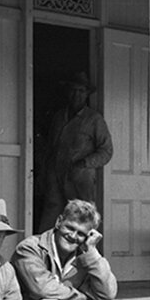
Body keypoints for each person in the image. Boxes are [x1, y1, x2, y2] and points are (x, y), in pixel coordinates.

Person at [37, 72, 113, 232]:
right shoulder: (59, 117)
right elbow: (50, 148)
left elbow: (106, 151)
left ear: (86, 94)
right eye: (73, 90)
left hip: (80, 178)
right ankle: (43, 253)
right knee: (51, 215)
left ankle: (86, 254)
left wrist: (85, 163)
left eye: (81, 91)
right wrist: (44, 174)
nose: (76, 94)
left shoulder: (93, 119)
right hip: (56, 175)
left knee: (82, 217)